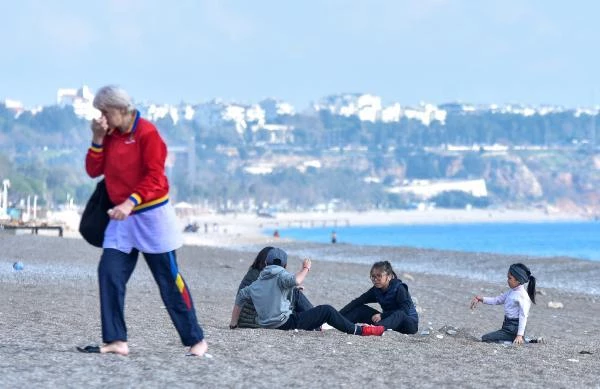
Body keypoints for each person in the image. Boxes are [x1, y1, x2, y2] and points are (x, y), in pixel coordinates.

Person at [77, 85, 207, 357]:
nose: (101, 117)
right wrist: (97, 139)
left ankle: (196, 340)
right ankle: (116, 340)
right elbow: (93, 170)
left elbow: (156, 177)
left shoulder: (147, 133)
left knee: (169, 280)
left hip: (152, 218)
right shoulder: (109, 135)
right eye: (98, 112)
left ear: (121, 110)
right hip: (121, 220)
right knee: (109, 273)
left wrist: (131, 201)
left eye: (105, 112)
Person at [229, 247, 385, 336]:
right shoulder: (281, 274)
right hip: (283, 323)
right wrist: (306, 268)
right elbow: (296, 280)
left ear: (265, 262)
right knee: (327, 310)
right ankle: (360, 330)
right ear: (284, 264)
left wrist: (233, 323)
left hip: (266, 323)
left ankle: (321, 324)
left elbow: (240, 298)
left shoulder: (257, 282)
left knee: (297, 296)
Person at [236, 246, 314, 328]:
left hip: (243, 320)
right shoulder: (263, 276)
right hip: (258, 319)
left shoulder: (253, 273)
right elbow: (271, 297)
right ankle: (316, 320)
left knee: (293, 294)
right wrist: (306, 268)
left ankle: (314, 318)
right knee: (295, 295)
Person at [470, 263, 543, 344]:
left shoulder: (522, 296)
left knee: (486, 338)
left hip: (514, 329)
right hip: (507, 327)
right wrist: (481, 299)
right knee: (488, 338)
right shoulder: (512, 292)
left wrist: (519, 335)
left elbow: (523, 316)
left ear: (518, 280)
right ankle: (526, 340)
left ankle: (522, 340)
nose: (507, 280)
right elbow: (497, 300)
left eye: (509, 278)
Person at [340, 261, 419, 334]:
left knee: (400, 313)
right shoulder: (376, 290)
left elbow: (404, 311)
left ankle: (375, 328)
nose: (375, 279)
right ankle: (338, 323)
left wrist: (382, 316)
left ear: (389, 276)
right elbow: (357, 301)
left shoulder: (399, 288)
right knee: (360, 309)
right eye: (373, 276)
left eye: (379, 276)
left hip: (408, 324)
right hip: (386, 323)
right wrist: (338, 315)